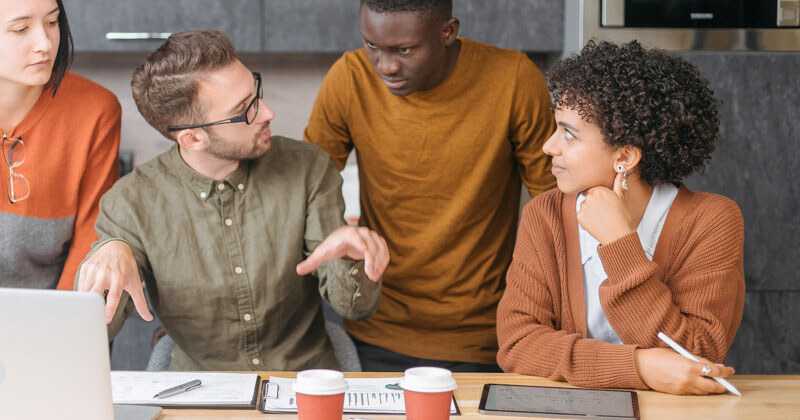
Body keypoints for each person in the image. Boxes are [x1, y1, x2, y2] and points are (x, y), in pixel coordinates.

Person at [76, 30, 389, 371]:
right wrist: (105, 261)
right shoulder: (130, 202)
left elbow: (355, 308)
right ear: (193, 138)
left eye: (257, 94)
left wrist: (352, 257)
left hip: (302, 387)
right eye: (245, 110)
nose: (267, 112)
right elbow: (93, 333)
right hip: (199, 395)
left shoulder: (308, 167)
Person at [304, 0, 556, 372]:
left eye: (404, 50)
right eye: (372, 45)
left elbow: (556, 204)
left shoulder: (513, 78)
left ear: (447, 31)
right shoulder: (350, 77)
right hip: (375, 330)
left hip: (486, 337)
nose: (386, 66)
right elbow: (307, 187)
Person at [496, 40, 746, 395]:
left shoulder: (712, 220)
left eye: (569, 133)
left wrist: (619, 244)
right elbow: (518, 344)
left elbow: (699, 357)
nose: (548, 147)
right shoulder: (545, 215)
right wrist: (638, 367)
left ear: (625, 156)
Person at [0, 0, 120, 290]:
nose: (45, 44)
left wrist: (62, 325)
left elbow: (92, 242)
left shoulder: (95, 111)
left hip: (54, 316)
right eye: (20, 29)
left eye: (52, 23)